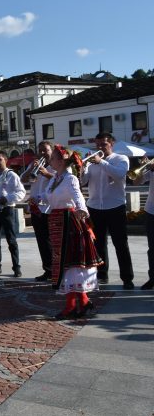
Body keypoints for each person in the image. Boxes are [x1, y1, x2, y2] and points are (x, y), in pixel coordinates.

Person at [34, 145, 103, 319]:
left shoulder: (70, 178)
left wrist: (82, 211)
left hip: (69, 222)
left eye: (53, 158)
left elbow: (77, 195)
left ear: (61, 160)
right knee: (64, 263)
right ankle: (84, 303)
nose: (50, 161)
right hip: (57, 221)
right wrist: (36, 198)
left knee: (70, 263)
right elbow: (49, 196)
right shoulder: (55, 178)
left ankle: (72, 306)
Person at [80, 132, 134, 289]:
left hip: (115, 206)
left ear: (112, 144)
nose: (99, 147)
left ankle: (127, 278)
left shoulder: (120, 159)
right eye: (97, 144)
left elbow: (119, 174)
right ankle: (102, 274)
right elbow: (83, 182)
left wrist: (101, 162)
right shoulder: (91, 163)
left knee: (121, 244)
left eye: (103, 144)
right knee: (98, 244)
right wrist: (82, 169)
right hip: (95, 206)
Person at [21, 141, 56, 282]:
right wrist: (31, 169)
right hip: (37, 209)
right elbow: (22, 179)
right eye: (40, 150)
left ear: (51, 151)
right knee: (42, 241)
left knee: (52, 241)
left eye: (45, 150)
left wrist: (47, 173)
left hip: (51, 208)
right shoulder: (34, 164)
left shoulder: (57, 165)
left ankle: (57, 270)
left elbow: (62, 180)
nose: (42, 153)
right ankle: (47, 270)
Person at [133, 157, 154, 290]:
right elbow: (136, 182)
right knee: (152, 249)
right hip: (151, 210)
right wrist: (142, 168)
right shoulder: (152, 169)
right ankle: (153, 278)